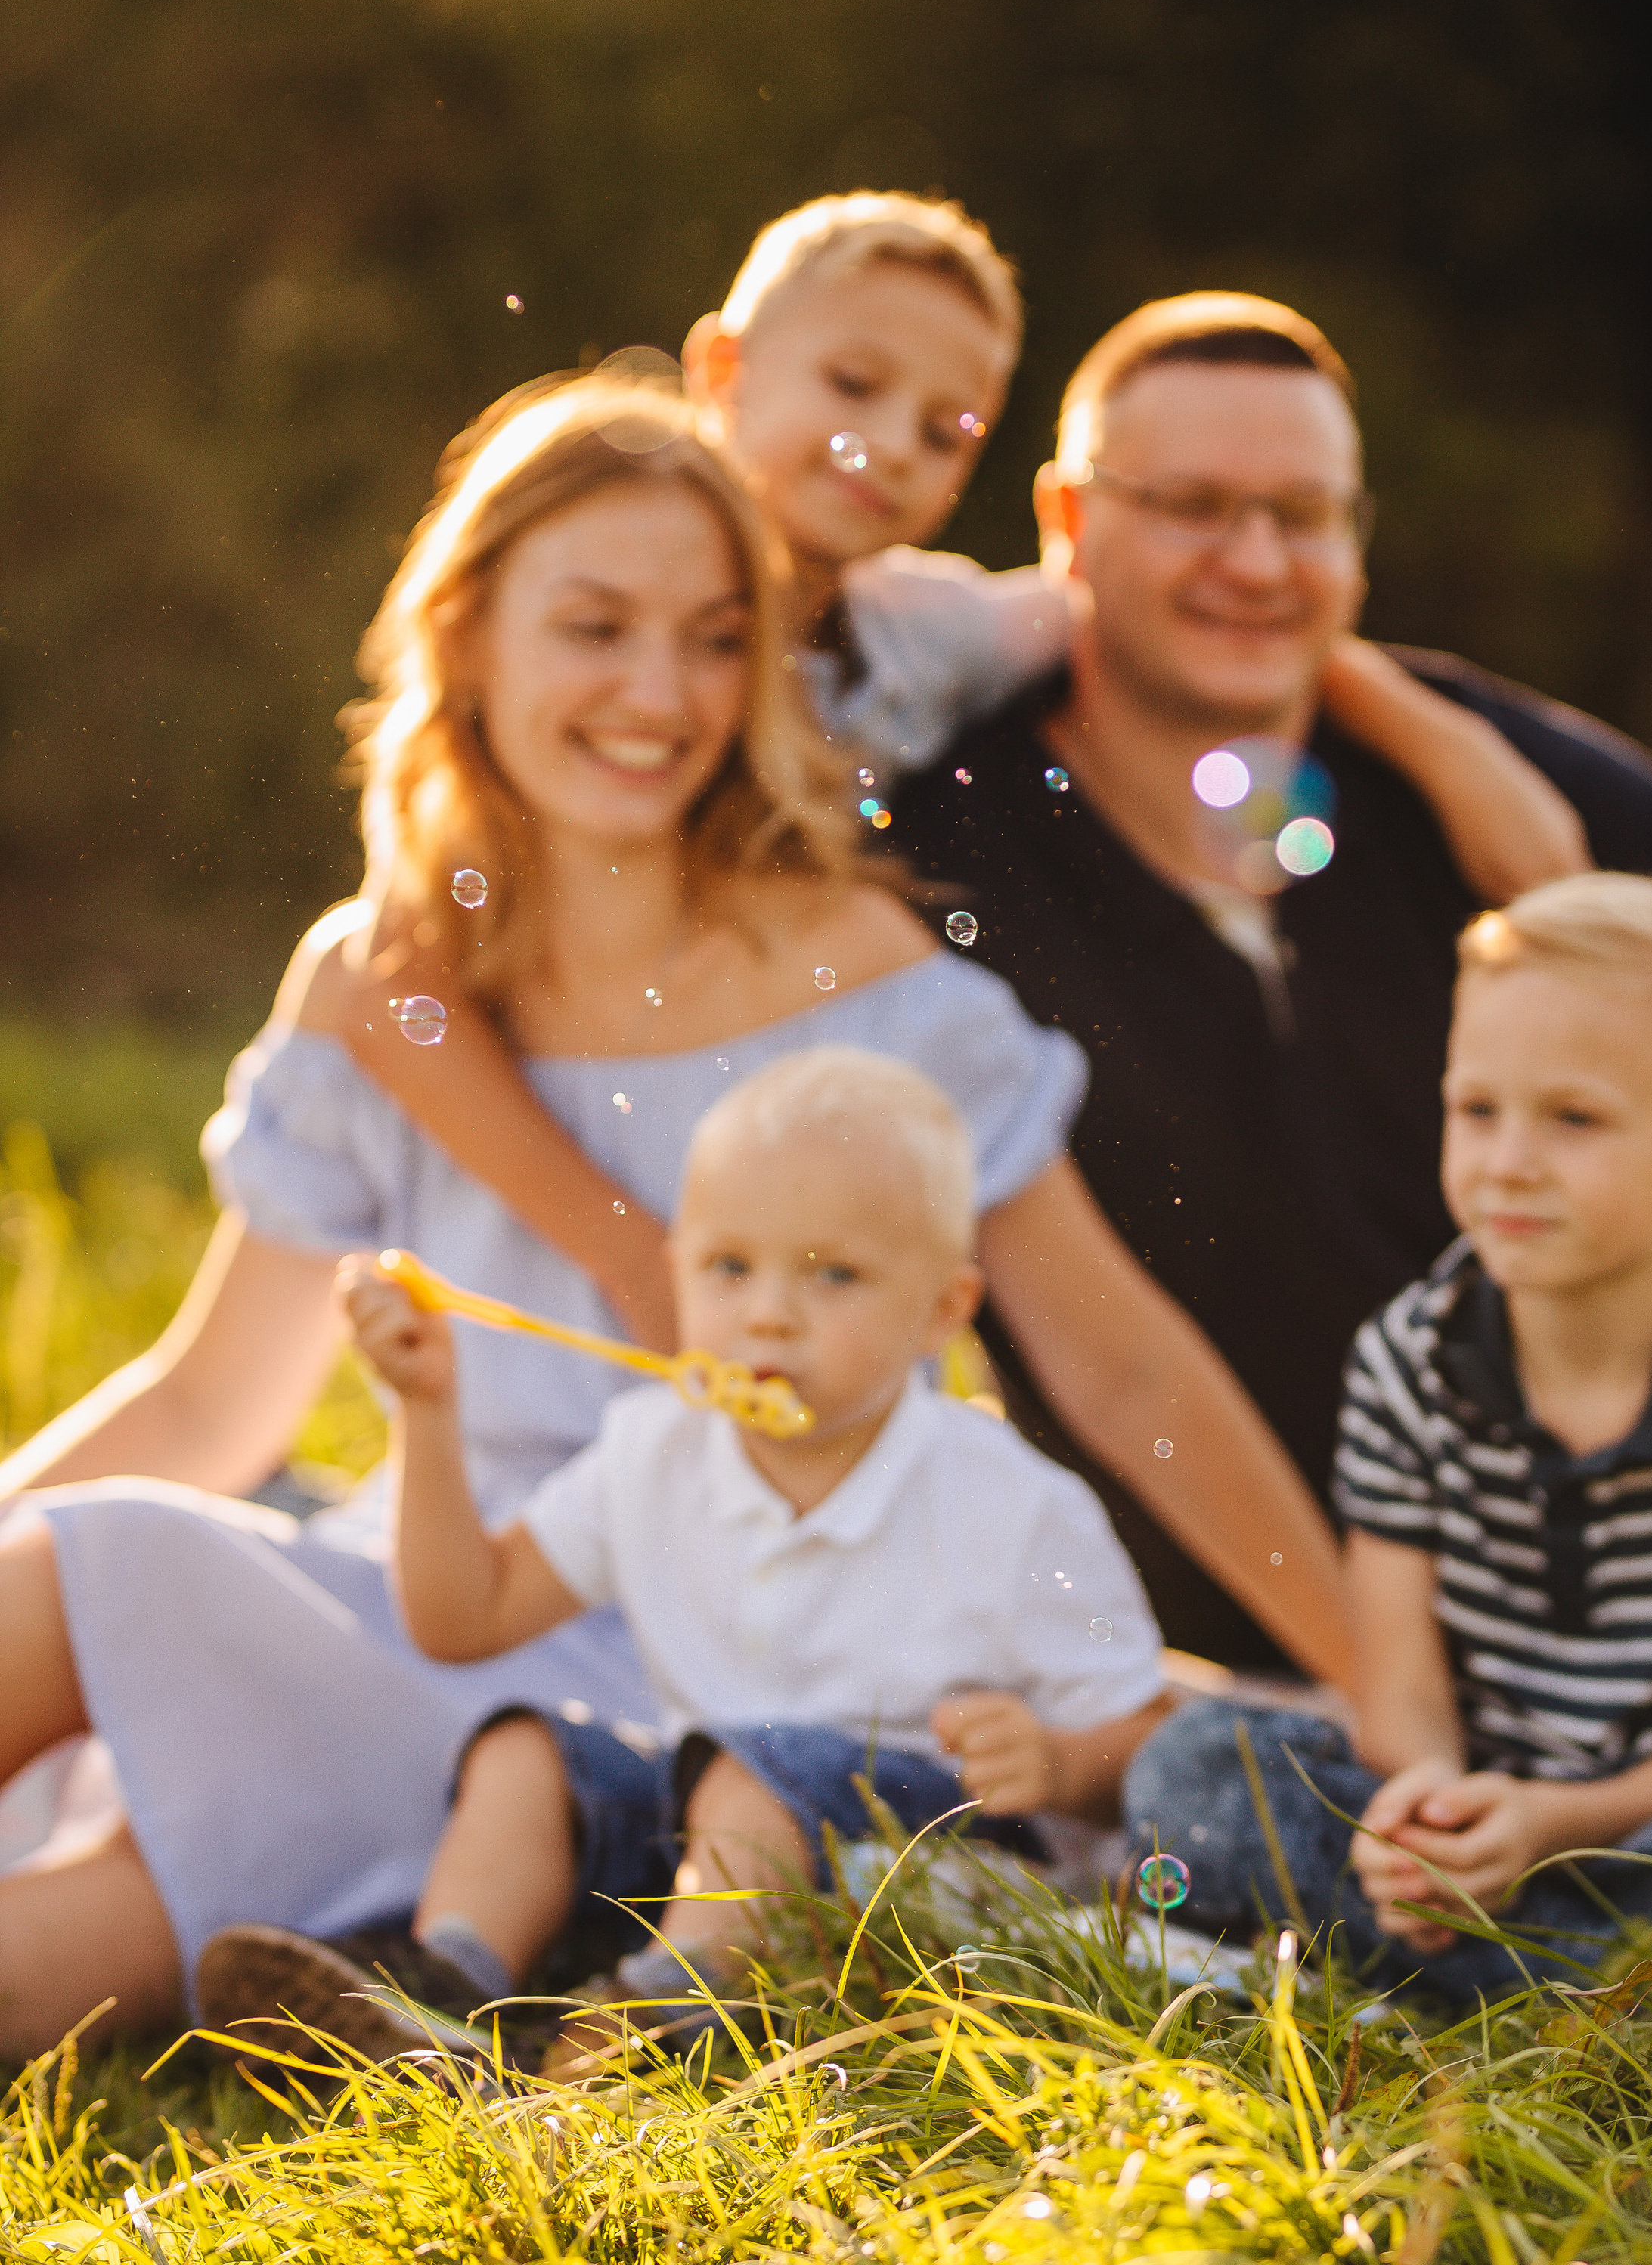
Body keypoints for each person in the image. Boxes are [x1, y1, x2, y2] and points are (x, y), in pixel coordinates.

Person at [0, 374, 1350, 2057]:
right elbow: (211, 1402)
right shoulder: (397, 980)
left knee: (62, 1945)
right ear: (470, 639)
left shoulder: (872, 990)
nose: (661, 693)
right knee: (75, 1562)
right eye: (596, 628)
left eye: (717, 638)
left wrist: (1377, 1684)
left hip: (695, 1679)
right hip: (424, 1593)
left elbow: (1119, 1368)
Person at [327, 197, 1592, 1356]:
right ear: (724, 372)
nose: (887, 445)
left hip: (786, 1102)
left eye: (945, 429)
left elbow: (1164, 615)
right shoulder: (584, 605)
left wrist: (1439, 737)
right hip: (578, 1109)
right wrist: (627, 1262)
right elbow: (388, 975)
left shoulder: (928, 631)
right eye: (852, 385)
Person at [879, 291, 1652, 1674]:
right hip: (1259, 1570)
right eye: (1193, 505)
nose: (1256, 560)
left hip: (1596, 1373)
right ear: (1068, 520)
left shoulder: (1446, 760)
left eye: (1304, 515)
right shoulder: (944, 841)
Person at [197, 1051, 1173, 2060]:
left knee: (755, 1778)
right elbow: (462, 1619)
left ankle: (634, 2031)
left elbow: (1145, 1734)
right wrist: (428, 1411)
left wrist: (1058, 1764)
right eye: (729, 1267)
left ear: (941, 1311)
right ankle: (440, 1996)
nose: (768, 1312)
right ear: (677, 1275)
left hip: (928, 1880)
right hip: (708, 1857)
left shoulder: (1013, 1505)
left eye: (832, 1274)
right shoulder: (653, 1451)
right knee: (532, 1753)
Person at [1124, 875, 1652, 1999]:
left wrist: (1546, 1828)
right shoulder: (1413, 1359)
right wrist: (1431, 1810)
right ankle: (1613, 1968)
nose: (1507, 1159)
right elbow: (1398, 1688)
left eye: (1574, 1120)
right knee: (1197, 1766)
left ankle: (1473, 1967)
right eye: (1477, 1110)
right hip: (1478, 1803)